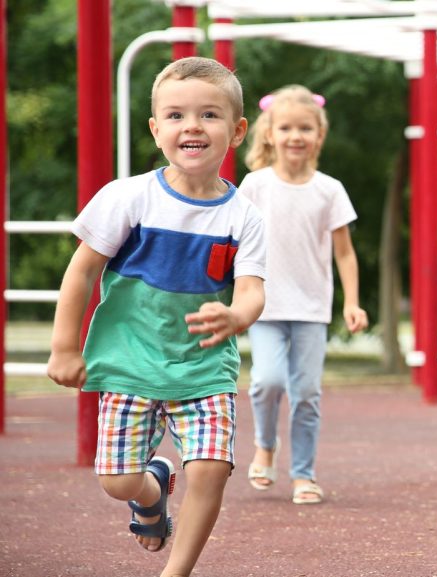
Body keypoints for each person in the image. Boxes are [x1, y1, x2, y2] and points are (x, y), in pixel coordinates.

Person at [46, 57, 265, 577]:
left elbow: (253, 289)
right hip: (129, 365)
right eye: (176, 115)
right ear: (156, 129)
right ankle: (150, 494)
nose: (192, 125)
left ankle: (176, 572)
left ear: (236, 132)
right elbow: (80, 274)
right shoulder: (129, 197)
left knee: (212, 470)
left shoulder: (244, 217)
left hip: (203, 370)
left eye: (209, 115)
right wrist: (64, 348)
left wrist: (237, 316)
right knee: (118, 481)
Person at [240, 85, 368, 505]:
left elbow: (345, 254)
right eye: (287, 127)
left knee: (307, 394)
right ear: (269, 134)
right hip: (264, 305)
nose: (296, 136)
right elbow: (234, 241)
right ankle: (265, 445)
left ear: (319, 135)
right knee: (267, 381)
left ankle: (303, 475)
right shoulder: (255, 186)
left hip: (312, 308)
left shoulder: (329, 190)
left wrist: (351, 302)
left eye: (305, 128)